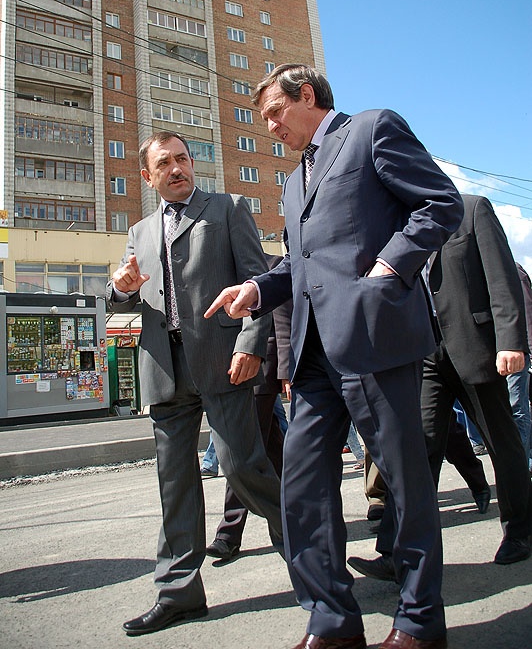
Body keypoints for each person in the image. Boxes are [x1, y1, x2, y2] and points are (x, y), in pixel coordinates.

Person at [205, 64, 464, 649]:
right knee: (301, 488)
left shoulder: (371, 130)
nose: (271, 127)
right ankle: (332, 622)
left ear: (307, 95)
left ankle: (420, 623)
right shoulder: (294, 181)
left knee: (405, 484)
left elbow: (439, 203)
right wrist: (257, 289)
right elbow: (299, 266)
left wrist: (389, 267)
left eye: (276, 112)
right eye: (264, 119)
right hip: (312, 356)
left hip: (374, 338)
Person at [106, 131, 283, 637]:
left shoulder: (227, 209)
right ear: (148, 176)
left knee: (242, 466)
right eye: (165, 163)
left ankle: (312, 553)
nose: (177, 168)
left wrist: (251, 344)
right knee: (175, 484)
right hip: (165, 370)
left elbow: (257, 281)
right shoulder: (139, 232)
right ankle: (178, 594)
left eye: (182, 158)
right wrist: (118, 288)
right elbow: (122, 298)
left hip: (222, 361)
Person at [350, 195, 532, 584]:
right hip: (425, 353)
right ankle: (397, 553)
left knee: (502, 443)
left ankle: (521, 532)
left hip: (477, 347)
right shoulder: (398, 227)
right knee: (416, 451)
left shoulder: (472, 209)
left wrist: (511, 341)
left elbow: (502, 279)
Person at [207, 252, 292, 562]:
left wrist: (285, 370)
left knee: (242, 451)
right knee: (272, 448)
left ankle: (228, 534)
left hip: (262, 369)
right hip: (229, 368)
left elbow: (282, 321)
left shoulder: (273, 265)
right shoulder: (220, 271)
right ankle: (294, 512)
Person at [506, 263, 532, 462]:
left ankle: (522, 464)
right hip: (498, 351)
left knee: (516, 408)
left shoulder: (512, 271)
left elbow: (528, 312)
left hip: (516, 348)